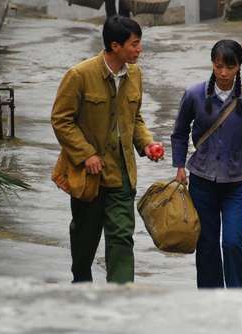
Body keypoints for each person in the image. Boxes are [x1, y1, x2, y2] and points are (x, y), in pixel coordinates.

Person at [51, 15, 163, 284]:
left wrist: (146, 143)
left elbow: (134, 118)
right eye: (134, 44)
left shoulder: (134, 74)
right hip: (89, 176)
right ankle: (81, 280)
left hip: (121, 174)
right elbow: (61, 119)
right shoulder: (79, 75)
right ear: (115, 46)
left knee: (122, 238)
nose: (139, 49)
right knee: (85, 238)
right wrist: (86, 153)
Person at [170, 39, 242, 288]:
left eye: (230, 67)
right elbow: (179, 132)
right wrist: (180, 165)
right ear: (212, 64)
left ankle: (235, 296)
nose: (223, 73)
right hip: (202, 181)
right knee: (207, 244)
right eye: (219, 66)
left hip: (237, 184)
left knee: (233, 242)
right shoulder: (194, 94)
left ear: (239, 67)